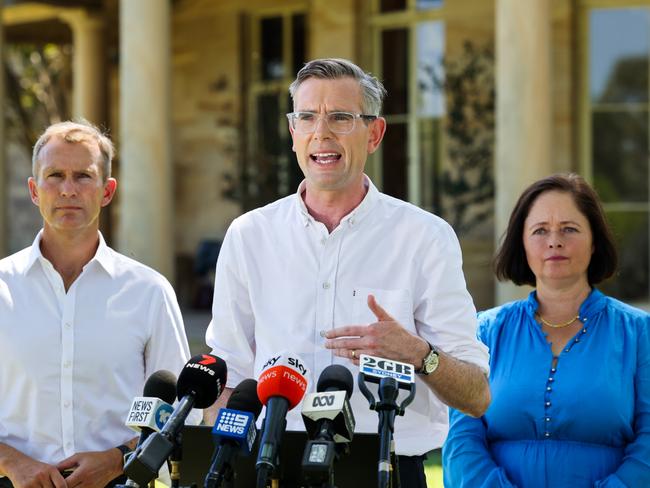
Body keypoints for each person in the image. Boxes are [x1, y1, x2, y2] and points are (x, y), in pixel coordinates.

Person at [205, 58, 490, 485]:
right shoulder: (249, 235)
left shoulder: (426, 237)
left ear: (374, 133)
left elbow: (476, 395)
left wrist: (418, 353)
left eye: (340, 117)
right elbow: (228, 376)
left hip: (384, 468)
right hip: (269, 466)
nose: (321, 132)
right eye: (307, 117)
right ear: (293, 133)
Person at [0, 121, 193, 488]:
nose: (68, 189)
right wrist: (11, 462)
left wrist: (119, 459)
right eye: (54, 175)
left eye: (83, 177)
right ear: (33, 189)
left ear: (107, 191)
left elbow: (185, 413)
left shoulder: (149, 292)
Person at [442, 173, 650, 487]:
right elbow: (461, 440)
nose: (554, 240)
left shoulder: (639, 334)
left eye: (569, 228)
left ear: (595, 241)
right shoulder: (483, 331)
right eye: (540, 230)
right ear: (521, 243)